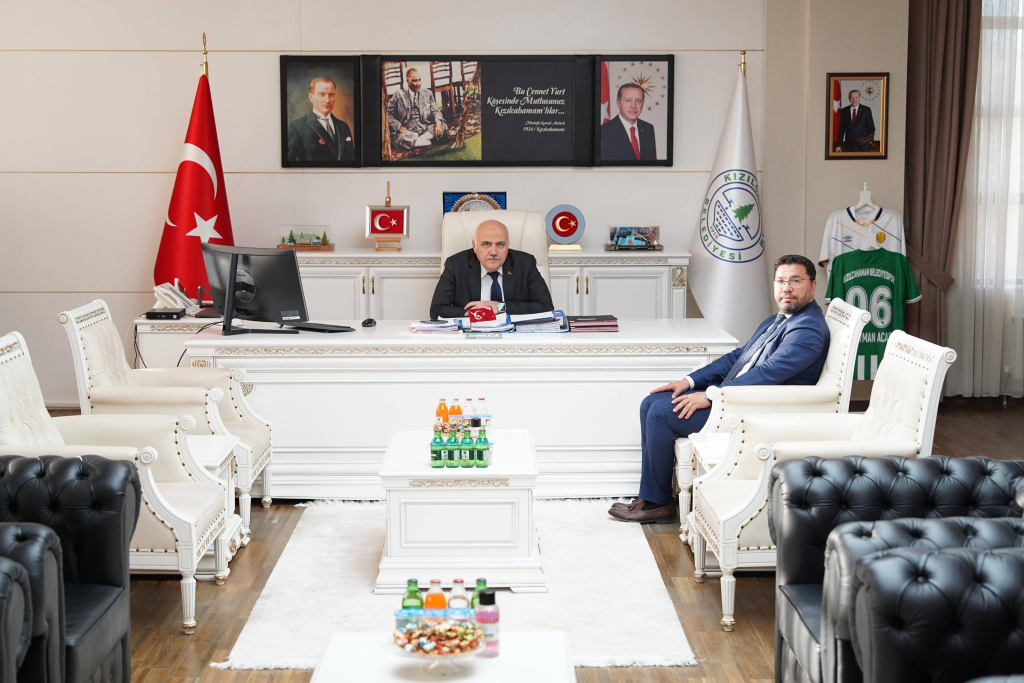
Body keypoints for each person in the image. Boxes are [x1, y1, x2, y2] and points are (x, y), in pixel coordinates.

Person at [609, 254, 830, 523]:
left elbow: (767, 374)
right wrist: (689, 381)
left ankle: (658, 504)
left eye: (795, 281)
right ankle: (651, 495)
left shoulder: (807, 328)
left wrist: (712, 396)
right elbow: (738, 357)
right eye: (781, 281)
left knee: (661, 414)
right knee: (650, 403)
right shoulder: (780, 319)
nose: (787, 288)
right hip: (736, 398)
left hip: (754, 411)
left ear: (812, 286)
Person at [429, 219, 553, 319]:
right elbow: (437, 310)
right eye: (486, 244)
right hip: (472, 335)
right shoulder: (456, 264)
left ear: (508, 246)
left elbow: (546, 307)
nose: (493, 252)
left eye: (500, 244)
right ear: (474, 246)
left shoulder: (525, 263)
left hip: (514, 336)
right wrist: (481, 314)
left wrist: (500, 307)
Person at [286, 77, 355, 162]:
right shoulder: (296, 127)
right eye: (321, 94)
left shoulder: (343, 126)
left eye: (331, 95)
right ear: (311, 97)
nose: (327, 100)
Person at [388, 68, 448, 151]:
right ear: (407, 81)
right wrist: (398, 126)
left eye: (419, 80)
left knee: (443, 126)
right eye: (414, 81)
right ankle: (427, 141)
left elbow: (435, 110)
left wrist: (438, 123)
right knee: (402, 137)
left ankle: (418, 141)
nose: (418, 83)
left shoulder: (427, 93)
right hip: (408, 131)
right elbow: (387, 115)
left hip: (425, 128)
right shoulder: (398, 95)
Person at [600, 83, 657, 161]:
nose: (633, 106)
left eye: (638, 100)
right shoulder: (604, 132)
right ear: (618, 103)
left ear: (643, 103)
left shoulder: (648, 129)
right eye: (628, 100)